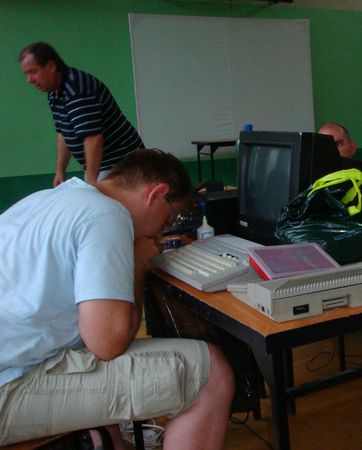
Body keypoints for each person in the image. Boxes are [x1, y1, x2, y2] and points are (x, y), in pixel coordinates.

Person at [0, 149, 234, 449]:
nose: (161, 232)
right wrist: (137, 264)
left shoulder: (51, 198)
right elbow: (107, 344)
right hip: (9, 383)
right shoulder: (106, 215)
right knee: (210, 373)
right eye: (167, 220)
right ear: (156, 194)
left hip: (14, 359)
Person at [19, 42, 145, 185]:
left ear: (51, 67)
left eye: (33, 72)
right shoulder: (54, 92)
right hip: (103, 166)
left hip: (121, 164)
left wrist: (91, 183)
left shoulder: (77, 90)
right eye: (27, 74)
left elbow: (93, 138)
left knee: (98, 197)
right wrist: (60, 171)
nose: (29, 80)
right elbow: (63, 132)